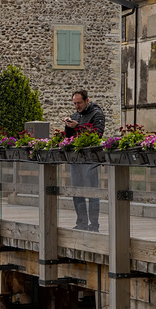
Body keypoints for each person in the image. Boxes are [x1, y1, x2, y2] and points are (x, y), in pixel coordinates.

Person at [65, 89, 107, 231]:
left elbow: (97, 134)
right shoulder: (75, 115)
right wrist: (68, 127)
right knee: (77, 192)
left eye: (79, 103)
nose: (77, 106)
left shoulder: (97, 114)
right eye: (75, 103)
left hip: (90, 160)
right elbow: (69, 138)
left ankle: (94, 225)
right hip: (76, 160)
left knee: (92, 193)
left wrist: (78, 126)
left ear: (87, 101)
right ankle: (81, 222)